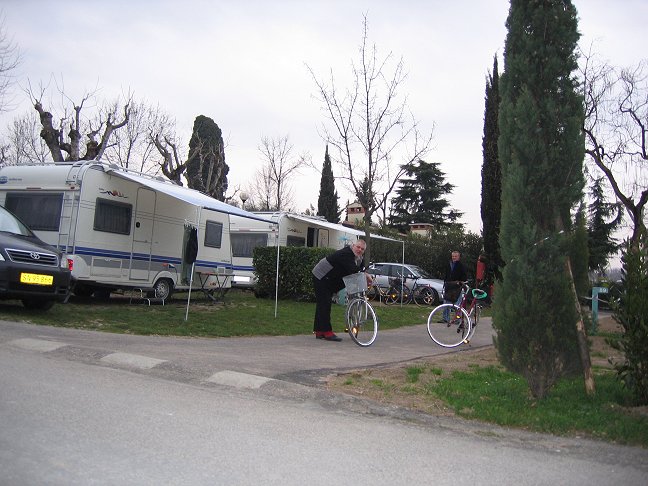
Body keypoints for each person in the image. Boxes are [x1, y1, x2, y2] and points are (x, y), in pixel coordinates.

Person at [312, 239, 369, 341]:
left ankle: (319, 331)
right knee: (325, 303)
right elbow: (353, 270)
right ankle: (327, 332)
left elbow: (361, 269)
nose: (359, 250)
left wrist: (365, 275)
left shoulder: (359, 258)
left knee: (322, 303)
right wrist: (366, 275)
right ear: (353, 246)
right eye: (358, 247)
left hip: (330, 279)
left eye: (362, 249)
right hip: (321, 275)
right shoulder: (346, 254)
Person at [443, 250, 468, 320]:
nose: (454, 257)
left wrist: (460, 282)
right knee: (446, 303)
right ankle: (445, 318)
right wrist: (445, 282)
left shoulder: (461, 266)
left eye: (455, 256)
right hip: (448, 286)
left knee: (457, 304)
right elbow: (446, 274)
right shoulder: (449, 264)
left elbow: (464, 277)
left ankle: (457, 319)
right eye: (453, 256)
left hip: (457, 287)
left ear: (459, 257)